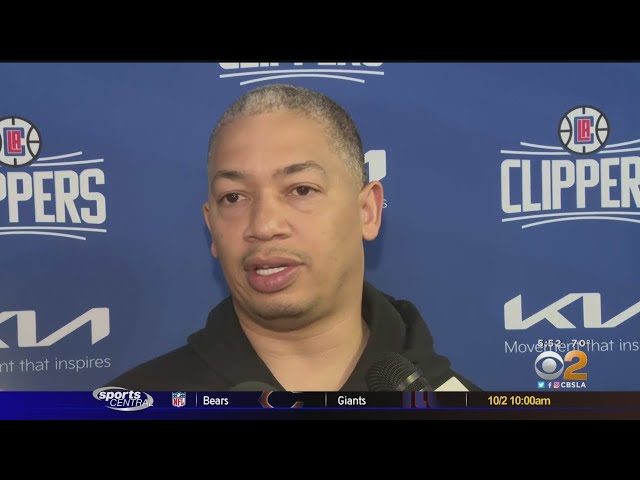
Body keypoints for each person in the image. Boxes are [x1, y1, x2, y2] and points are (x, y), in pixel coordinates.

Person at [108, 84, 479, 392]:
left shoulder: (456, 403)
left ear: (367, 211)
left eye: (301, 190)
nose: (264, 225)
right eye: (233, 197)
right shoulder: (136, 403)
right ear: (211, 226)